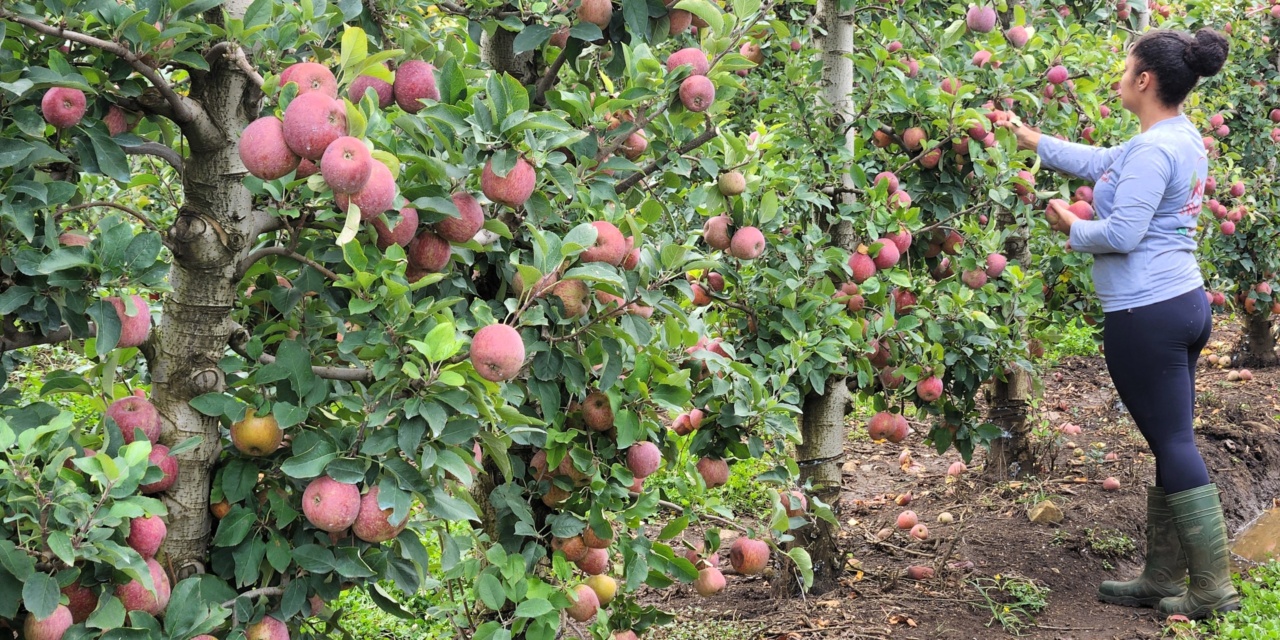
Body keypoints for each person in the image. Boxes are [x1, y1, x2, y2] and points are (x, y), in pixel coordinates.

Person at [1002, 28, 1237, 620]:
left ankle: (1211, 588)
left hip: (1145, 312)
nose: (1118, 73)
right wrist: (1035, 140)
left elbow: (1123, 234)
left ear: (1145, 79)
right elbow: (1105, 161)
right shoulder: (1175, 138)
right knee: (1169, 437)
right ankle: (1161, 577)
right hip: (1182, 300)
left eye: (1124, 65)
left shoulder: (1154, 149)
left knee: (1175, 440)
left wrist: (1070, 228)